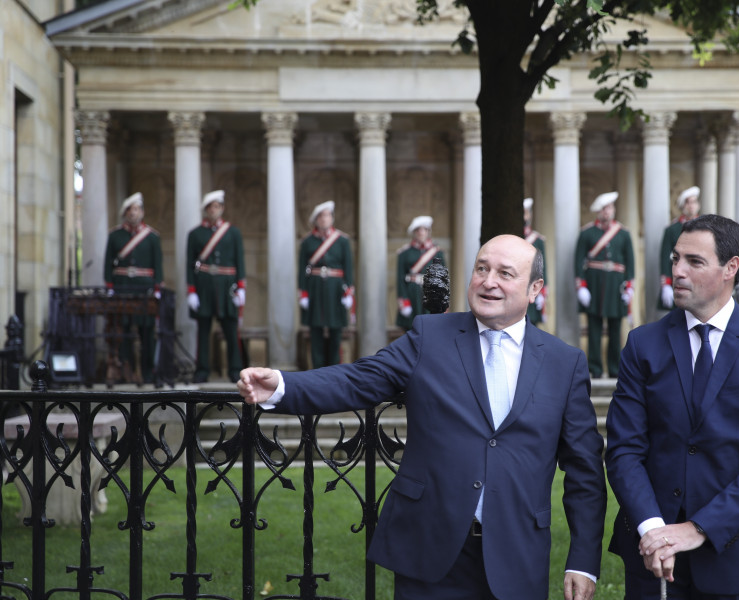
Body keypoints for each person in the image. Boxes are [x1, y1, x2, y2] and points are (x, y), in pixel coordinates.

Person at [238, 234, 606, 600]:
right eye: (481, 268)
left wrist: (584, 560)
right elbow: (359, 379)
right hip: (432, 549)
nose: (488, 281)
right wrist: (283, 386)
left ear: (534, 289)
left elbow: (585, 471)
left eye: (505, 273)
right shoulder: (430, 336)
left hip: (518, 553)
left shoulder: (564, 363)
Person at [605, 214, 739, 599]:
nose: (677, 271)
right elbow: (625, 449)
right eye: (676, 259)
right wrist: (652, 531)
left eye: (694, 262)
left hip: (737, 561)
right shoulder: (643, 345)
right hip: (653, 562)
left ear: (731, 268)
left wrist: (695, 530)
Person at [186, 190, 246, 383]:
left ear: (222, 208)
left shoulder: (233, 232)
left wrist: (241, 287)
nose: (214, 210)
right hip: (203, 286)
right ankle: (202, 370)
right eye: (210, 207)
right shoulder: (195, 234)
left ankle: (235, 369)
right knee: (203, 330)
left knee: (231, 329)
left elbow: (240, 261)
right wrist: (191, 291)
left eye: (217, 207)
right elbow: (190, 264)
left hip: (227, 286)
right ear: (205, 210)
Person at [103, 192, 163, 384]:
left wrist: (157, 288)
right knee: (124, 331)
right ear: (125, 213)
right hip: (122, 287)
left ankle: (148, 372)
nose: (133, 213)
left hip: (144, 289)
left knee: (147, 332)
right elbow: (107, 263)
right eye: (129, 210)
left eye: (136, 209)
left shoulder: (152, 237)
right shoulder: (115, 236)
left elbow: (158, 264)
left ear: (142, 212)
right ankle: (125, 371)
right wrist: (109, 286)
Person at [575, 191, 634, 378]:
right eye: (604, 208)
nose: (607, 212)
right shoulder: (587, 233)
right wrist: (581, 286)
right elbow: (578, 261)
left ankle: (615, 368)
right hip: (594, 284)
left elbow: (630, 263)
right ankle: (595, 368)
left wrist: (629, 288)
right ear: (598, 212)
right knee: (594, 328)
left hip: (616, 286)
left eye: (609, 208)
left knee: (616, 330)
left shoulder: (623, 234)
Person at [298, 200, 354, 368]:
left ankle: (334, 369)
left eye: (327, 215)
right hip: (315, 288)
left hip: (336, 289)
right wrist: (303, 293)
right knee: (315, 331)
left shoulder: (342, 241)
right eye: (321, 216)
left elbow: (348, 268)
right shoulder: (308, 242)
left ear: (332, 218)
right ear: (315, 220)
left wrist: (349, 292)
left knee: (336, 330)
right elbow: (302, 269)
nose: (324, 219)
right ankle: (317, 370)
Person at [396, 215, 445, 331]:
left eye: (424, 229)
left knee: (431, 328)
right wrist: (403, 300)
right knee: (411, 329)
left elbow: (443, 279)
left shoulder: (437, 253)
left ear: (428, 232)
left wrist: (442, 300)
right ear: (414, 232)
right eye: (418, 230)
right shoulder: (405, 253)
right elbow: (400, 279)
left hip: (431, 293)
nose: (421, 232)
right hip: (412, 292)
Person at [658, 186, 701, 311]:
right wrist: (666, 284)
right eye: (688, 202)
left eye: (694, 202)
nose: (691, 205)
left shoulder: (706, 227)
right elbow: (665, 257)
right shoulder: (672, 229)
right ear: (683, 206)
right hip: (680, 278)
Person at [523, 197, 548, 326]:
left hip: (532, 286)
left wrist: (542, 292)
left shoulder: (537, 240)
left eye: (526, 212)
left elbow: (543, 269)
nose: (524, 216)